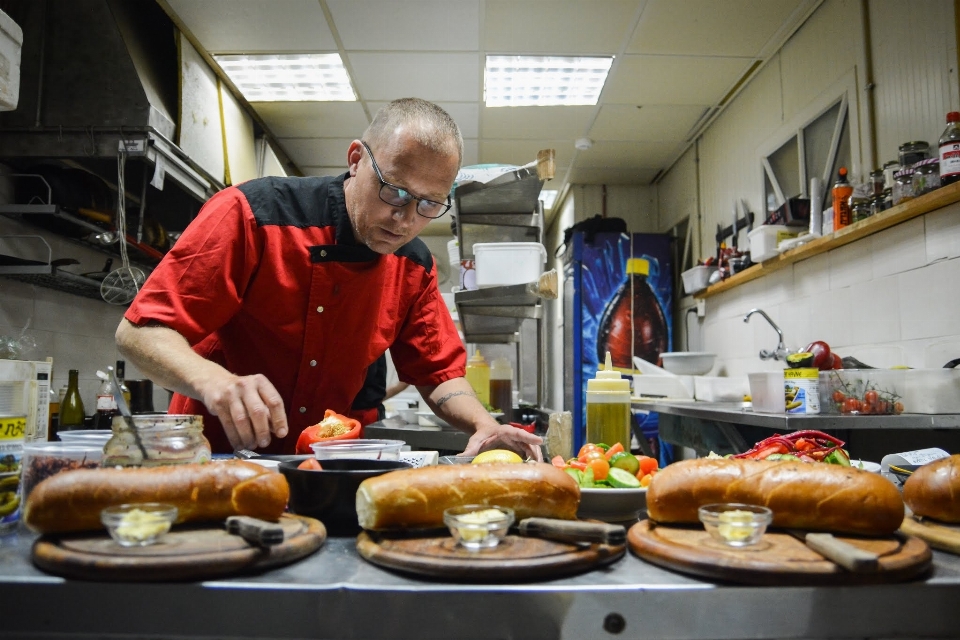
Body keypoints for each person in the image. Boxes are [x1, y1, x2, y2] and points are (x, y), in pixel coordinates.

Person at [116, 98, 542, 460]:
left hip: (318, 465)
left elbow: (437, 373)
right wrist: (215, 382)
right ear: (356, 159)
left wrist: (484, 426)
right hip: (211, 454)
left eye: (429, 204)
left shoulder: (416, 266)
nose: (406, 219)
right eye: (395, 191)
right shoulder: (252, 213)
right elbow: (140, 333)